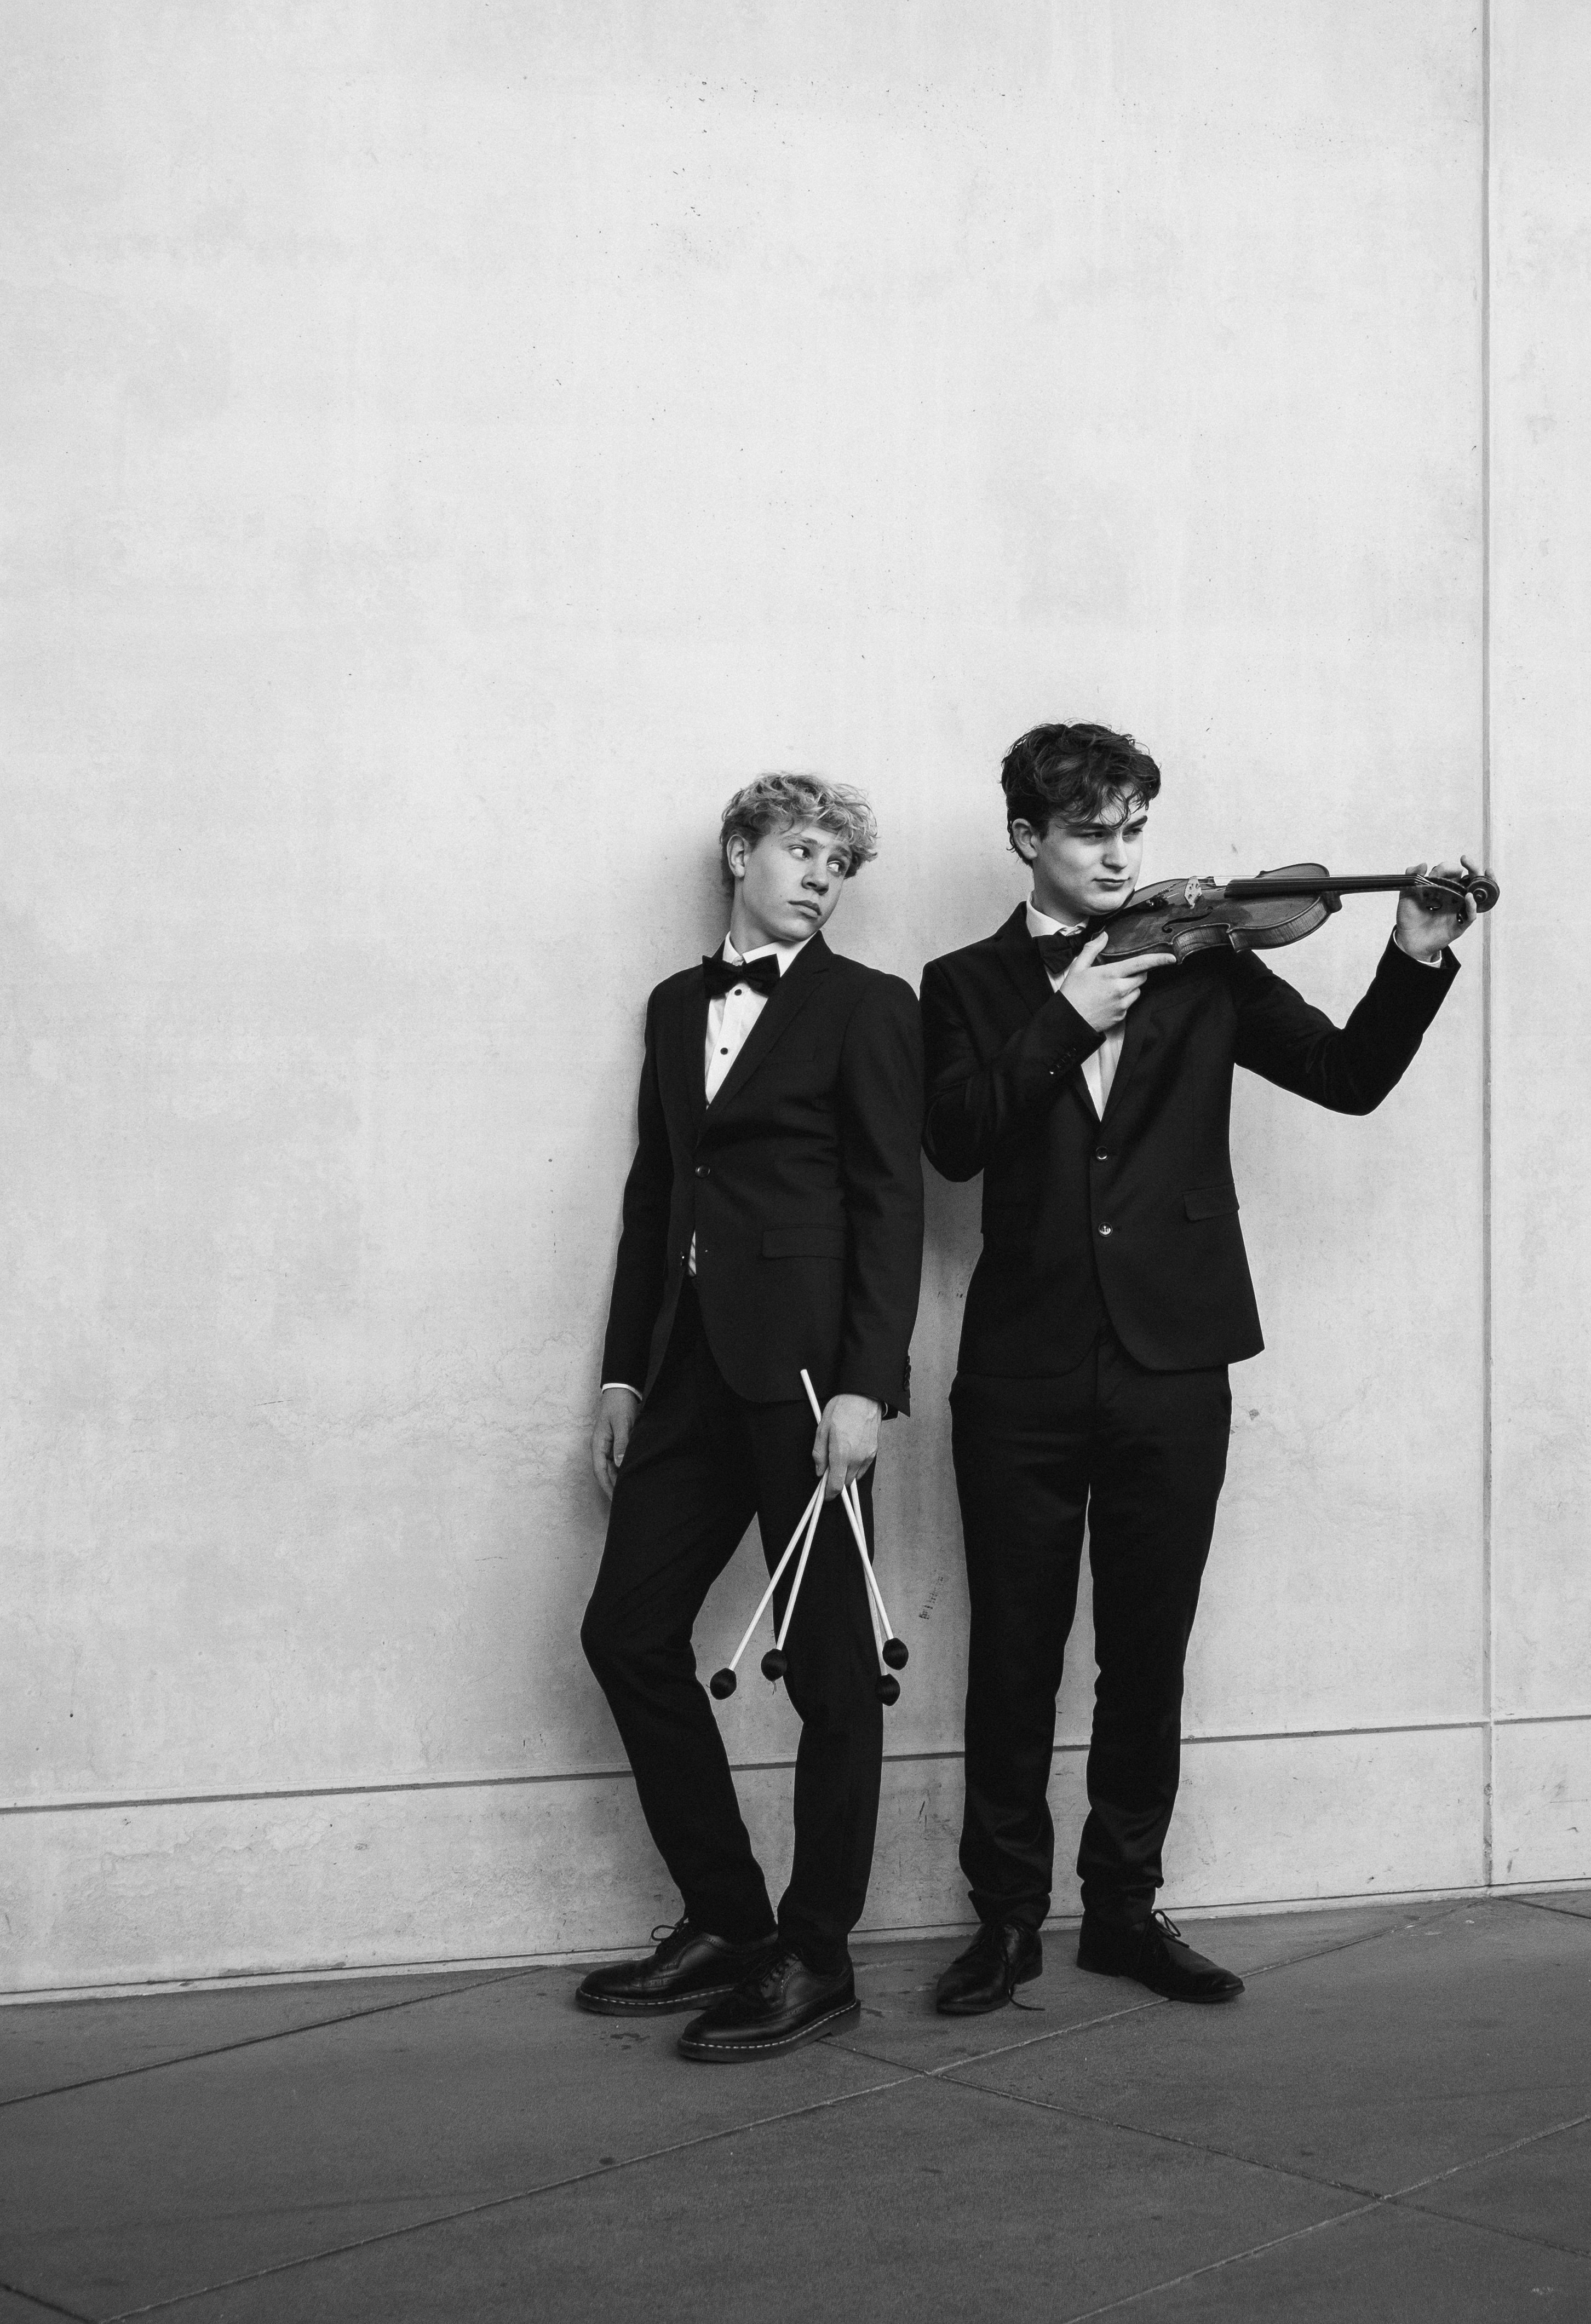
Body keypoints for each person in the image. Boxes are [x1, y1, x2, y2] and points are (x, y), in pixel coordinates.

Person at [920, 721, 1479, 2015]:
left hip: (1176, 1361)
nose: (1121, 860)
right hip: (1022, 1369)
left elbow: (1348, 1077)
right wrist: (1061, 1017)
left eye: (1133, 832)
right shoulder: (961, 982)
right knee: (1012, 1654)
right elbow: (954, 1140)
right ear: (1028, 840)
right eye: (1090, 834)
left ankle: (1122, 1909)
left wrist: (1416, 952)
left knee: (1148, 1652)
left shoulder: (1205, 965)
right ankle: (1003, 1920)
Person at [577, 773, 923, 2061]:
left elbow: (894, 1206)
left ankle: (816, 1954)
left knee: (834, 1672)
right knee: (625, 1633)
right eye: (801, 849)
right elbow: (657, 1193)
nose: (822, 874)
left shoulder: (868, 1008)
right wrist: (622, 1374)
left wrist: (862, 1386)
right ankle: (726, 1919)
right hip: (684, 1381)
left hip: (806, 1393)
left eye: (841, 861)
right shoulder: (676, 1005)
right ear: (741, 850)